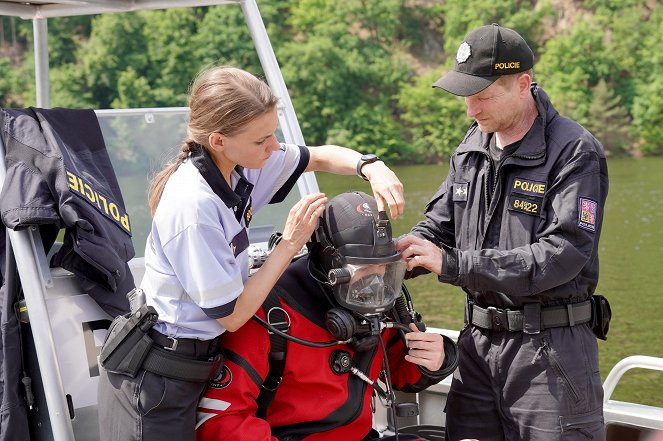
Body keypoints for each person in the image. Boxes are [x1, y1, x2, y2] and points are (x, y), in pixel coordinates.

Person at [97, 67, 405, 441]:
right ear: (218, 139)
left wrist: (370, 167)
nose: (273, 146)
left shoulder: (240, 166)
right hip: (160, 376)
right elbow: (233, 315)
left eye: (273, 132)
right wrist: (290, 245)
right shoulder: (193, 207)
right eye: (262, 139)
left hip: (196, 361)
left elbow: (320, 158)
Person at [396, 24, 609, 441]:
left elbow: (563, 253)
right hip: (477, 352)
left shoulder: (574, 150)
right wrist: (392, 259)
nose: (471, 110)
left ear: (523, 84)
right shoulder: (472, 145)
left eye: (483, 96)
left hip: (549, 355)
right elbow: (439, 226)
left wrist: (454, 263)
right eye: (466, 98)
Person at [195, 191, 458, 441]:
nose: (376, 281)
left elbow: (400, 372)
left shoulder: (376, 301)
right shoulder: (267, 311)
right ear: (332, 264)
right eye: (364, 268)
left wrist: (433, 359)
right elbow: (221, 419)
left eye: (383, 267)